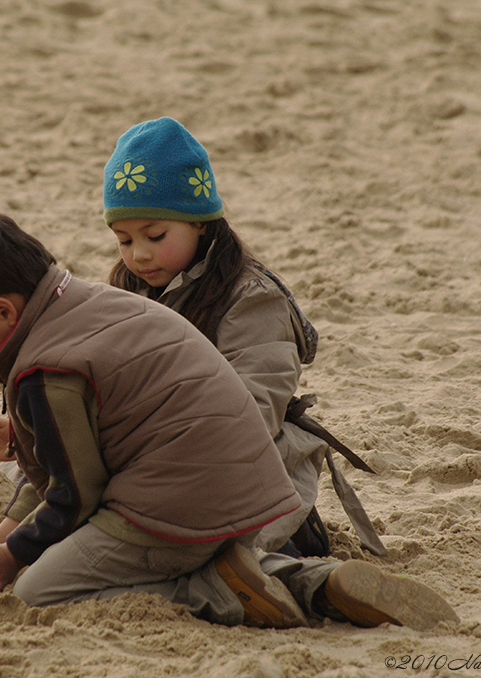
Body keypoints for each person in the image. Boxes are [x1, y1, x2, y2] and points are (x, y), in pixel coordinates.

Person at [0, 209, 459, 631]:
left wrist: (13, 555)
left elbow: (73, 495)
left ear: (3, 311)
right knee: (69, 552)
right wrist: (1, 538)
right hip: (244, 496)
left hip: (173, 510)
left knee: (36, 591)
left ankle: (211, 590)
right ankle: (302, 581)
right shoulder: (88, 302)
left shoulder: (46, 368)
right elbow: (63, 463)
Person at [102, 116, 385, 558]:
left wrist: (152, 444)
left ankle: (303, 569)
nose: (138, 253)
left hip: (239, 464)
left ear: (200, 222)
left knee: (223, 553)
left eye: (155, 235)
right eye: (123, 239)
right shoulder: (126, 289)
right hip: (150, 455)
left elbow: (251, 416)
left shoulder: (251, 298)